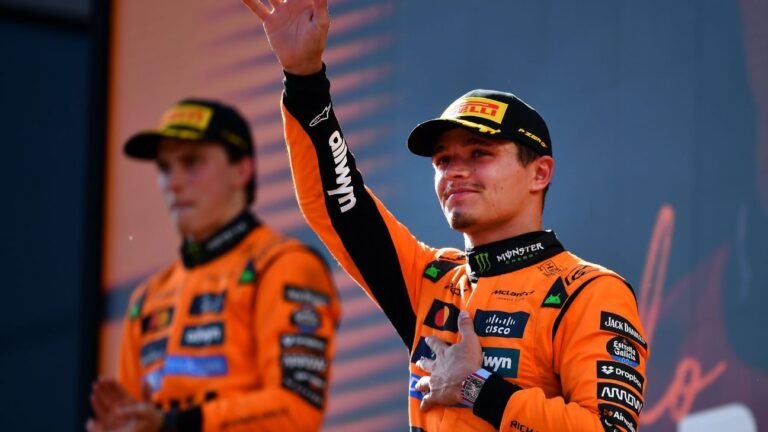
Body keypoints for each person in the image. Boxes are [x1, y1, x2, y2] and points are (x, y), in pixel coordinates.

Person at [243, 0, 649, 431]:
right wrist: (304, 79)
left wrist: (477, 388)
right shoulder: (431, 281)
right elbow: (339, 206)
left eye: (479, 154)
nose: (454, 171)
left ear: (540, 173)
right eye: (443, 160)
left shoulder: (587, 292)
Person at [87, 98, 341, 432]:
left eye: (191, 162)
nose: (173, 183)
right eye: (164, 168)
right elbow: (134, 420)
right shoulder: (147, 299)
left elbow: (296, 411)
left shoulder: (284, 266)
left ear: (241, 170)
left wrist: (173, 425)